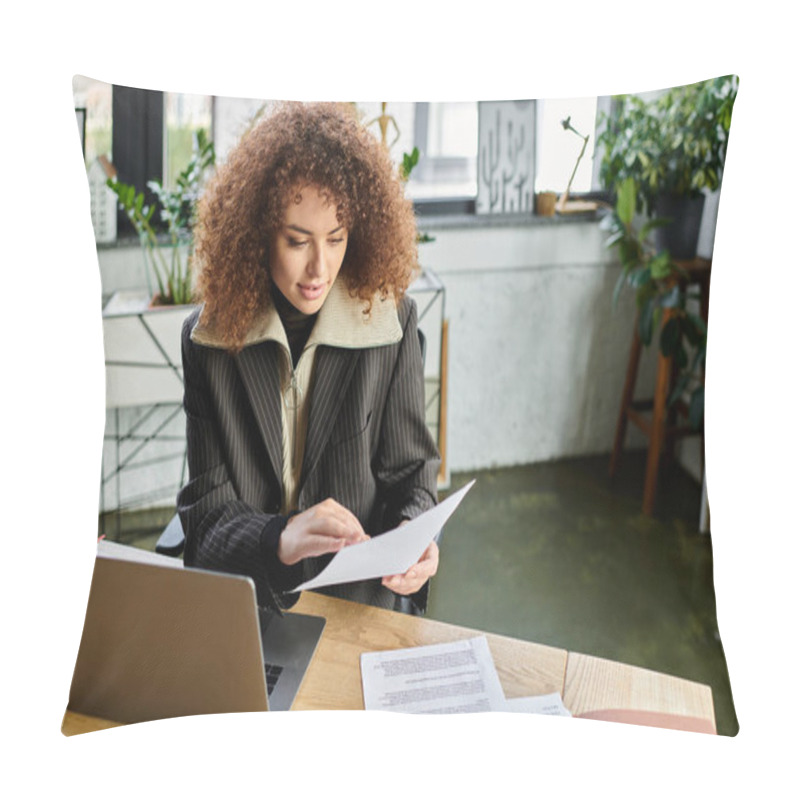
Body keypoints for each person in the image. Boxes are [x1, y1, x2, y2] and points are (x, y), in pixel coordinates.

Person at [176, 102, 440, 616]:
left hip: (362, 607)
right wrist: (280, 538)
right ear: (257, 232)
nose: (320, 266)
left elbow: (412, 476)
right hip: (252, 609)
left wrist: (414, 533)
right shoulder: (208, 342)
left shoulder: (392, 325)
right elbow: (205, 530)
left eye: (336, 239)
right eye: (298, 241)